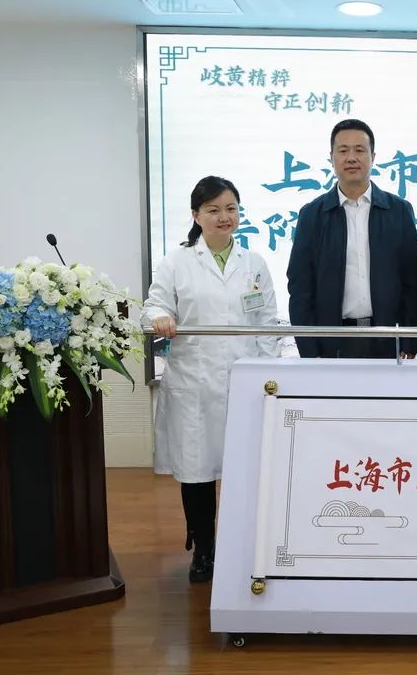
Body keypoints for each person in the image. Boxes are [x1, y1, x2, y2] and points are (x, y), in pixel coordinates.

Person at [141, 175, 280, 583]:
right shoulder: (176, 262)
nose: (224, 217)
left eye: (231, 209)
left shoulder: (254, 263)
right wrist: (160, 317)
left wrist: (267, 373)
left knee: (244, 469)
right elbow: (153, 305)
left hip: (245, 381)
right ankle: (203, 549)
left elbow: (267, 322)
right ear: (196, 215)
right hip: (196, 383)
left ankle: (240, 548)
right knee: (197, 471)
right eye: (214, 210)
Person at [286, 119, 417, 358]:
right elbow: (300, 289)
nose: (351, 158)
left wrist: (410, 343)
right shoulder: (312, 215)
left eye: (359, 150)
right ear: (331, 157)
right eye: (343, 150)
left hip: (388, 341)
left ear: (373, 157)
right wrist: (310, 350)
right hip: (332, 343)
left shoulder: (398, 211)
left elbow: (414, 282)